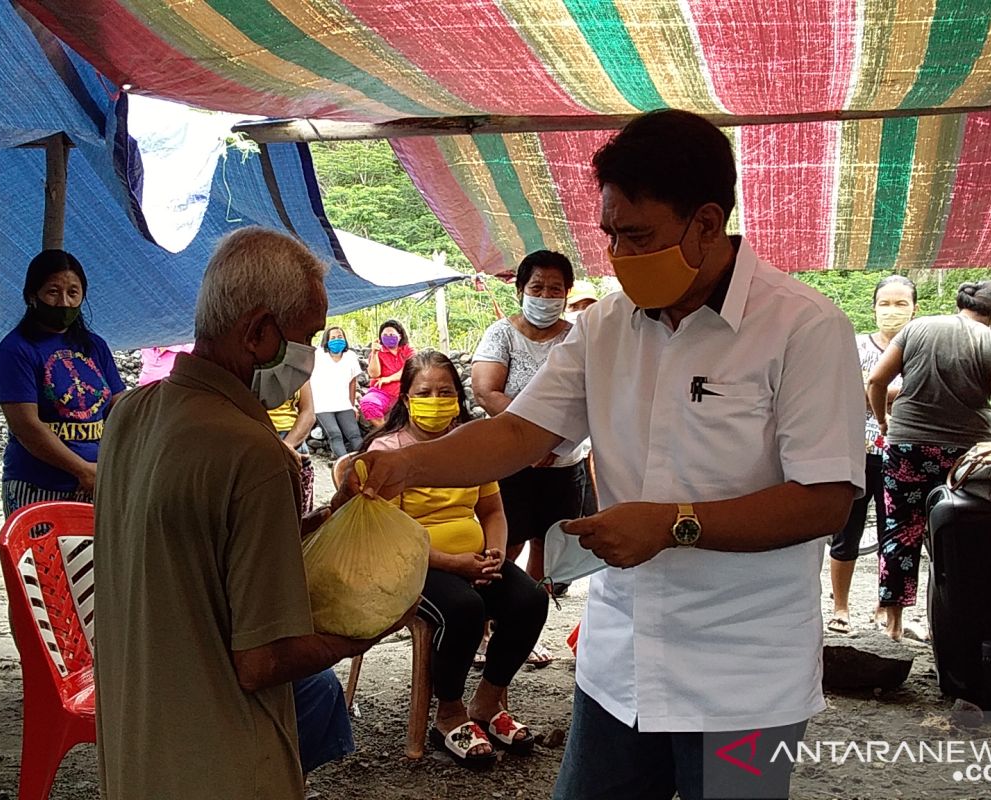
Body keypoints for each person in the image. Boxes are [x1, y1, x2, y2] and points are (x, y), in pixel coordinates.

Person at [345, 110, 865, 800]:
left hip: (745, 678)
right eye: (610, 234)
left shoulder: (803, 327)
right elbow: (517, 433)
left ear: (707, 224)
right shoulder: (607, 325)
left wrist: (675, 523)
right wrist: (405, 464)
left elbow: (826, 499)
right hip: (621, 662)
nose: (618, 254)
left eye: (639, 236)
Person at [93, 226, 408, 800]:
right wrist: (366, 631)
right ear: (259, 332)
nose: (310, 357)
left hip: (137, 743)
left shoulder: (130, 413)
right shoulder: (255, 454)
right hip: (224, 761)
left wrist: (323, 526)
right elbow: (262, 661)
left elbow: (199, 549)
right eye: (306, 337)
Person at [362, 350, 548, 769]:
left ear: (458, 397)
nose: (435, 399)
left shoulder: (470, 446)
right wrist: (453, 563)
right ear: (406, 399)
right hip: (414, 565)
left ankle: (485, 703)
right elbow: (390, 533)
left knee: (530, 600)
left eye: (445, 391)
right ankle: (448, 714)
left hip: (474, 559)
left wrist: (495, 553)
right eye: (424, 392)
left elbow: (493, 511)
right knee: (464, 608)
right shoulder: (388, 451)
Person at [868, 280, 991, 641]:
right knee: (963, 534)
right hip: (967, 455)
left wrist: (883, 421)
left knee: (900, 531)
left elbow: (877, 380)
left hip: (907, 446)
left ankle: (893, 625)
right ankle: (957, 623)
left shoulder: (916, 328)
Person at [472, 251, 595, 603]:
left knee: (549, 545)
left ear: (567, 293)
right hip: (510, 462)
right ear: (520, 290)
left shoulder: (578, 338)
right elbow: (486, 390)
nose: (545, 296)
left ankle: (528, 624)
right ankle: (487, 622)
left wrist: (550, 445)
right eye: (537, 287)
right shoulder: (502, 335)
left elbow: (586, 397)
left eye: (555, 289)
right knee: (505, 543)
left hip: (562, 462)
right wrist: (530, 440)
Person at [0, 250, 126, 516]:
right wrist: (81, 469)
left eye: (73, 293)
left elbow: (118, 404)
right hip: (39, 485)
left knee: (96, 559)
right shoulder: (16, 350)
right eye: (53, 292)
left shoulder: (95, 346)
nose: (64, 302)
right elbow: (26, 426)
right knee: (45, 559)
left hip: (96, 483)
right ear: (32, 295)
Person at [826, 276, 916, 635]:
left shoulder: (920, 346)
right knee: (846, 533)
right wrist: (891, 392)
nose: (891, 312)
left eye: (901, 304)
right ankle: (841, 607)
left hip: (901, 454)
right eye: (885, 304)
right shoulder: (855, 344)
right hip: (856, 452)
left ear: (915, 308)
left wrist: (875, 387)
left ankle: (886, 609)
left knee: (895, 535)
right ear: (873, 307)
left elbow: (878, 388)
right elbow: (846, 389)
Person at [310, 326, 364, 456]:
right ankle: (344, 466)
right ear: (326, 341)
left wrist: (352, 406)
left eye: (340, 337)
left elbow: (352, 382)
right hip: (322, 406)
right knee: (335, 435)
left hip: (343, 404)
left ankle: (366, 464)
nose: (337, 340)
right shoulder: (318, 355)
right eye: (333, 338)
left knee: (355, 435)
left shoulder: (350, 356)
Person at [268, 385, 317, 513]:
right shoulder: (244, 368)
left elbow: (308, 413)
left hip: (292, 438)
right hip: (259, 436)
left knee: (298, 514)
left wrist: (287, 446)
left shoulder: (298, 368)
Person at [358, 320, 414, 427]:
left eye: (392, 335)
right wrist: (374, 353)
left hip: (406, 392)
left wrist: (389, 378)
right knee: (368, 403)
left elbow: (410, 369)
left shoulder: (408, 350)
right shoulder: (379, 352)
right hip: (382, 393)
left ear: (400, 336)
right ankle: (385, 431)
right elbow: (374, 374)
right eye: (385, 335)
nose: (388, 337)